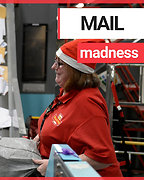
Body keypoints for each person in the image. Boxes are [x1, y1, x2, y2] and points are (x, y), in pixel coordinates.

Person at [32, 39, 123, 177]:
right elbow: (62, 128)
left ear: (75, 69)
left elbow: (102, 158)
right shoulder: (67, 92)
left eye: (59, 63)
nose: (53, 67)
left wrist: (55, 164)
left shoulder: (88, 103)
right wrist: (39, 139)